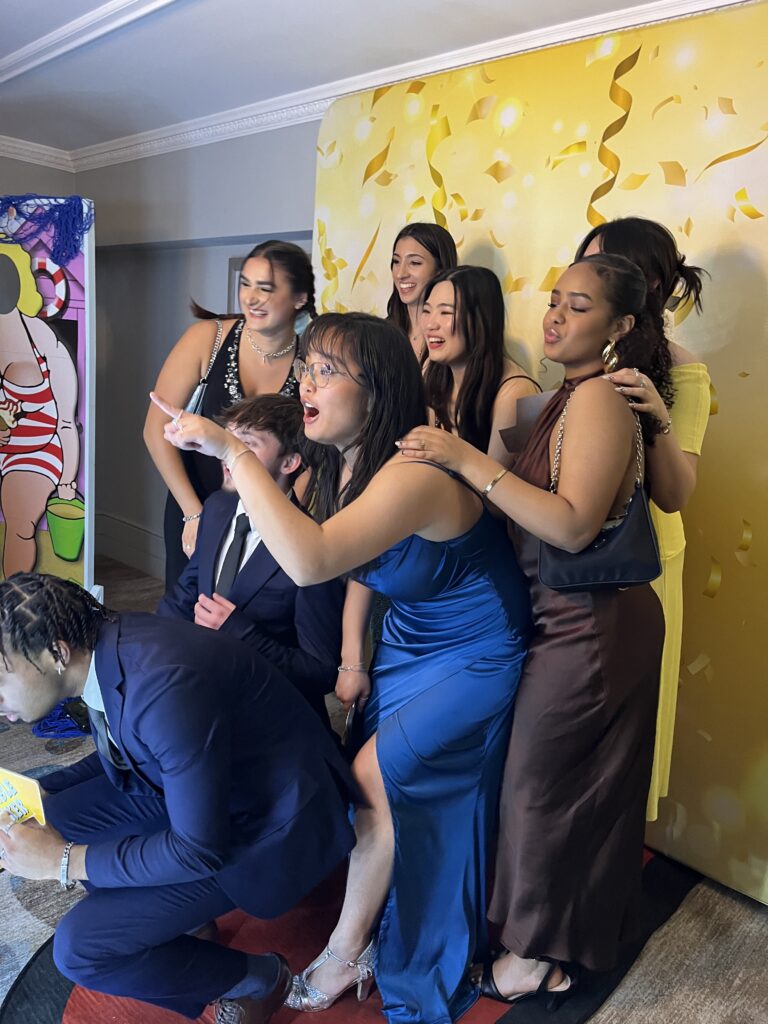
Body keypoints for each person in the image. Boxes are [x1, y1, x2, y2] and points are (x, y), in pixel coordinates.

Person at [151, 311, 531, 1023]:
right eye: (310, 366)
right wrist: (355, 654)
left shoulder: (413, 469)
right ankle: (372, 926)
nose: (308, 381)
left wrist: (231, 450)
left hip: (478, 647)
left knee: (369, 780)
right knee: (380, 788)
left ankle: (347, 949)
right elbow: (350, 563)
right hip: (414, 637)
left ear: (377, 387)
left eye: (329, 370)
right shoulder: (344, 463)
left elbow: (311, 558)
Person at [398, 253, 667, 1004]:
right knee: (559, 787)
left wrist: (462, 457)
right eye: (554, 300)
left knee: (540, 789)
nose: (554, 315)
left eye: (577, 306)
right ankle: (560, 936)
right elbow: (501, 497)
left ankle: (531, 956)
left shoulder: (601, 404)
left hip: (595, 621)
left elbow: (574, 527)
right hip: (566, 616)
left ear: (619, 327)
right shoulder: (561, 398)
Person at [0, 573, 356, 1024]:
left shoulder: (160, 687)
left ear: (56, 652)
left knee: (80, 949)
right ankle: (184, 923)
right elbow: (125, 747)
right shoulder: (104, 646)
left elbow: (198, 850)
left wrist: (63, 861)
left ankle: (258, 978)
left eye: (2, 675)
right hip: (210, 790)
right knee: (54, 813)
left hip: (268, 826)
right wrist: (47, 787)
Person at [575, 217, 709, 819]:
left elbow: (678, 493)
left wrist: (654, 418)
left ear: (646, 284)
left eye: (606, 270)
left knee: (631, 714)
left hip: (646, 561)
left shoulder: (684, 371)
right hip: (577, 546)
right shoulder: (584, 354)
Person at [157, 393, 344, 726]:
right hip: (200, 697)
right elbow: (184, 598)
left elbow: (321, 673)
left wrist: (240, 632)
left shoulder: (313, 548)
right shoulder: (217, 507)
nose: (228, 456)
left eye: (247, 445)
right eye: (227, 440)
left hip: (269, 719)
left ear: (289, 463)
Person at [144, 239, 316, 589]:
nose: (251, 298)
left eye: (265, 288)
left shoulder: (311, 358)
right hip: (195, 499)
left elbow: (315, 449)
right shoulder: (208, 338)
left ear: (299, 298)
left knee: (246, 619)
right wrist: (193, 513)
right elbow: (154, 430)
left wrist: (290, 517)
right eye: (245, 284)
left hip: (269, 512)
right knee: (187, 611)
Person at [0, 241, 80, 577]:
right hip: (5, 444)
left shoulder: (46, 344)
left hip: (39, 449)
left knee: (18, 517)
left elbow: (65, 421)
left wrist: (67, 478)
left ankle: (12, 608)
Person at [421, 265, 540, 467]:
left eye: (445, 312)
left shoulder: (518, 393)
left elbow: (496, 486)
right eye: (426, 310)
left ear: (481, 319)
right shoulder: (431, 369)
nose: (430, 324)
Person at [386, 222, 457, 360]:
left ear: (440, 269)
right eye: (396, 261)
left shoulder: (455, 338)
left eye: (415, 263)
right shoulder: (382, 334)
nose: (400, 274)